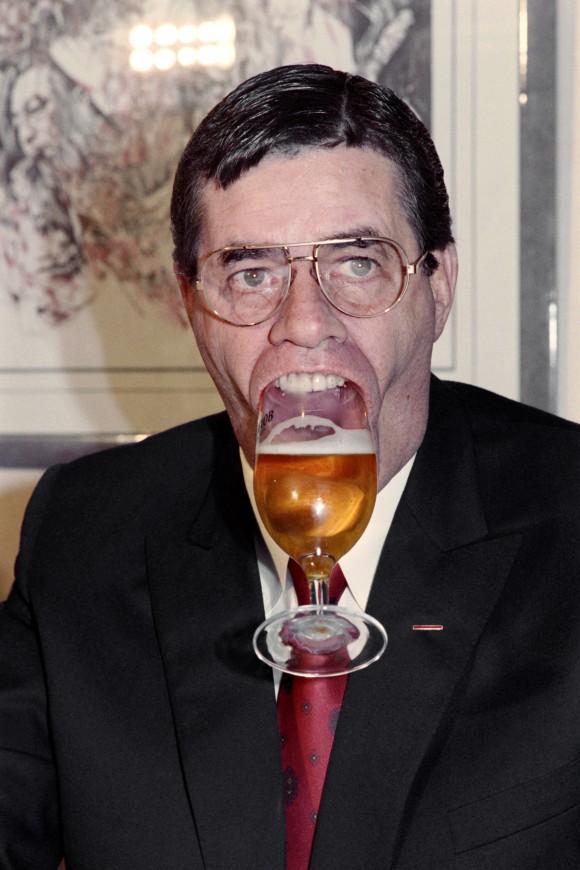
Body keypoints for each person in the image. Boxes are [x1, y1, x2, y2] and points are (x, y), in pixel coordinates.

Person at [1, 63, 580, 870]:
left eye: (356, 263)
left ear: (438, 286)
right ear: (191, 306)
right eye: (251, 273)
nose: (304, 323)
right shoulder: (85, 533)